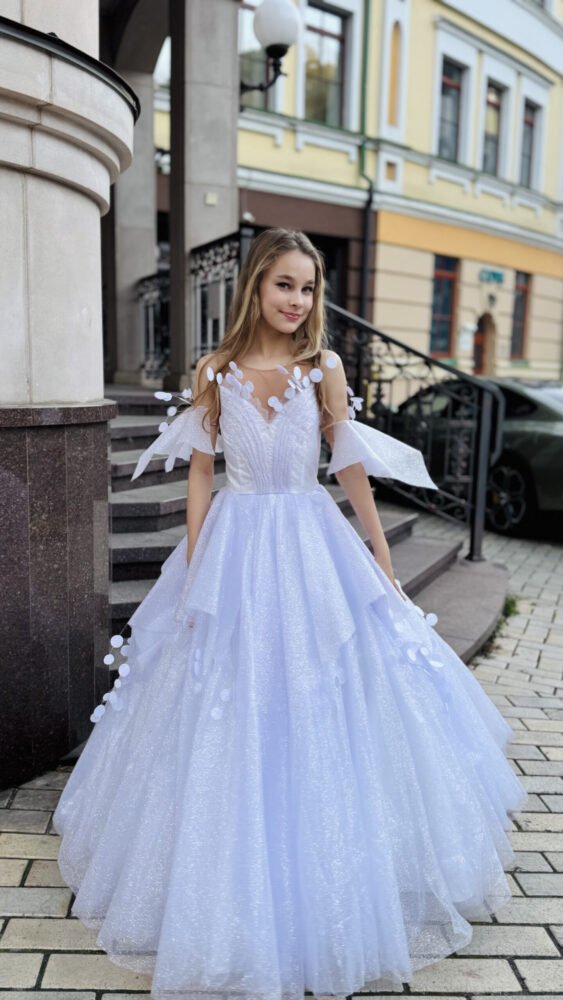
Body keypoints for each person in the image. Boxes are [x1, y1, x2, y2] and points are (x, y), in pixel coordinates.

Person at [53, 227, 528, 1000]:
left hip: (310, 542)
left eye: (308, 288)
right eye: (284, 285)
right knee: (227, 700)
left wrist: (379, 554)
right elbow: (201, 473)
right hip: (237, 544)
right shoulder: (215, 371)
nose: (297, 301)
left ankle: (340, 881)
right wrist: (198, 557)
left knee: (325, 687)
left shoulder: (323, 370)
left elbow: (348, 468)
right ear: (254, 288)